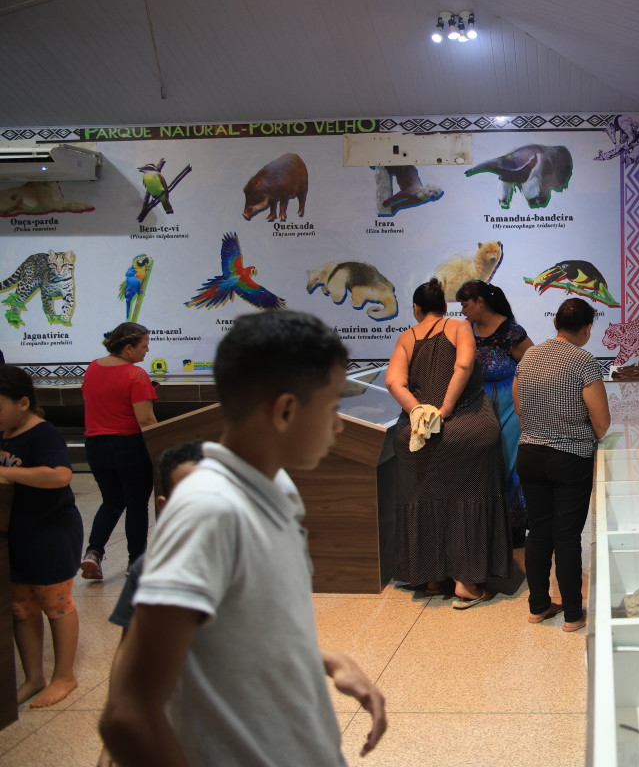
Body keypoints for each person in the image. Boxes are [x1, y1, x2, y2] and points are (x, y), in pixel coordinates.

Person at [99, 310, 387, 766]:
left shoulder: (278, 491)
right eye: (332, 408)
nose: (338, 426)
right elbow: (127, 716)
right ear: (286, 410)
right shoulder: (209, 509)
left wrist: (325, 660)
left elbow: (245, 628)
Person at [385, 278, 510, 608]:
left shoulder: (406, 338)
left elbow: (394, 382)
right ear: (444, 307)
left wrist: (419, 412)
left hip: (418, 436)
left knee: (425, 498)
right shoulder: (459, 327)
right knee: (468, 499)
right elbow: (464, 364)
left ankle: (431, 577)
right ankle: (466, 583)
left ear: (416, 309)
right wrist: (446, 408)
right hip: (468, 427)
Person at [97, 438, 203, 767]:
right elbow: (127, 649)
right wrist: (115, 727)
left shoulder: (253, 558)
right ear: (164, 505)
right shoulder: (150, 570)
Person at [513, 299, 610, 633]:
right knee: (567, 536)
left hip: (530, 454)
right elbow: (601, 422)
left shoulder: (529, 356)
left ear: (555, 323)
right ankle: (571, 614)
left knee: (538, 531)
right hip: (570, 458)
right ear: (587, 328)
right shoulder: (584, 361)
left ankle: (538, 606)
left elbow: (519, 405)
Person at [0, 365, 83, 708]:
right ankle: (33, 676)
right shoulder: (4, 433)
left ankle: (64, 675)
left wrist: (6, 472)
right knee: (21, 607)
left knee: (56, 604)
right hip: (16, 534)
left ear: (23, 403)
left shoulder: (42, 433)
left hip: (51, 532)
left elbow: (60, 475)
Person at [455, 280, 533, 545]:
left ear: (480, 302)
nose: (462, 310)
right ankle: (486, 526)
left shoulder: (511, 332)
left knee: (510, 463)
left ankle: (514, 526)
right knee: (481, 464)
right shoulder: (465, 331)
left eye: (465, 304)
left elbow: (531, 365)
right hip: (476, 405)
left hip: (510, 406)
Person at [80, 323, 158, 581]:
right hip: (128, 446)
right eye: (144, 346)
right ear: (128, 348)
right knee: (136, 504)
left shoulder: (93, 368)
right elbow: (145, 419)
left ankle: (93, 553)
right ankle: (136, 563)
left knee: (112, 501)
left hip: (95, 445)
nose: (147, 351)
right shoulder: (135, 374)